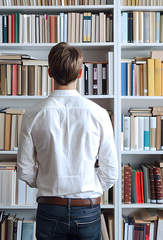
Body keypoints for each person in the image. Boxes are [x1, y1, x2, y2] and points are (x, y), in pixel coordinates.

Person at [17, 42, 118, 239]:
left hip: (49, 208)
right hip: (87, 209)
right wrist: (86, 186)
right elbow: (110, 173)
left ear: (49, 73)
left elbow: (24, 171)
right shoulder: (99, 114)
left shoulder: (32, 115)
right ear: (80, 74)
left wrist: (49, 182)